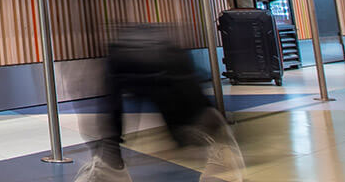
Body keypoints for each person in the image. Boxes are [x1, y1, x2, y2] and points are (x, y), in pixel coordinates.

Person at [75, 25, 244, 182]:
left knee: (130, 67)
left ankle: (111, 163)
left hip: (141, 53)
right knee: (143, 70)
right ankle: (213, 135)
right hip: (161, 55)